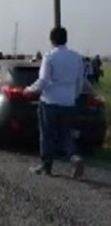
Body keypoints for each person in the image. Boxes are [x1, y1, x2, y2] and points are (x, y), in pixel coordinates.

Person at [24, 27, 85, 179]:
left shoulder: (50, 56)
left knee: (47, 134)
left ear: (52, 40)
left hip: (50, 100)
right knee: (65, 133)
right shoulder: (77, 57)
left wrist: (30, 90)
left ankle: (46, 165)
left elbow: (43, 80)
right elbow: (80, 81)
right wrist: (74, 96)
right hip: (68, 101)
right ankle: (74, 156)